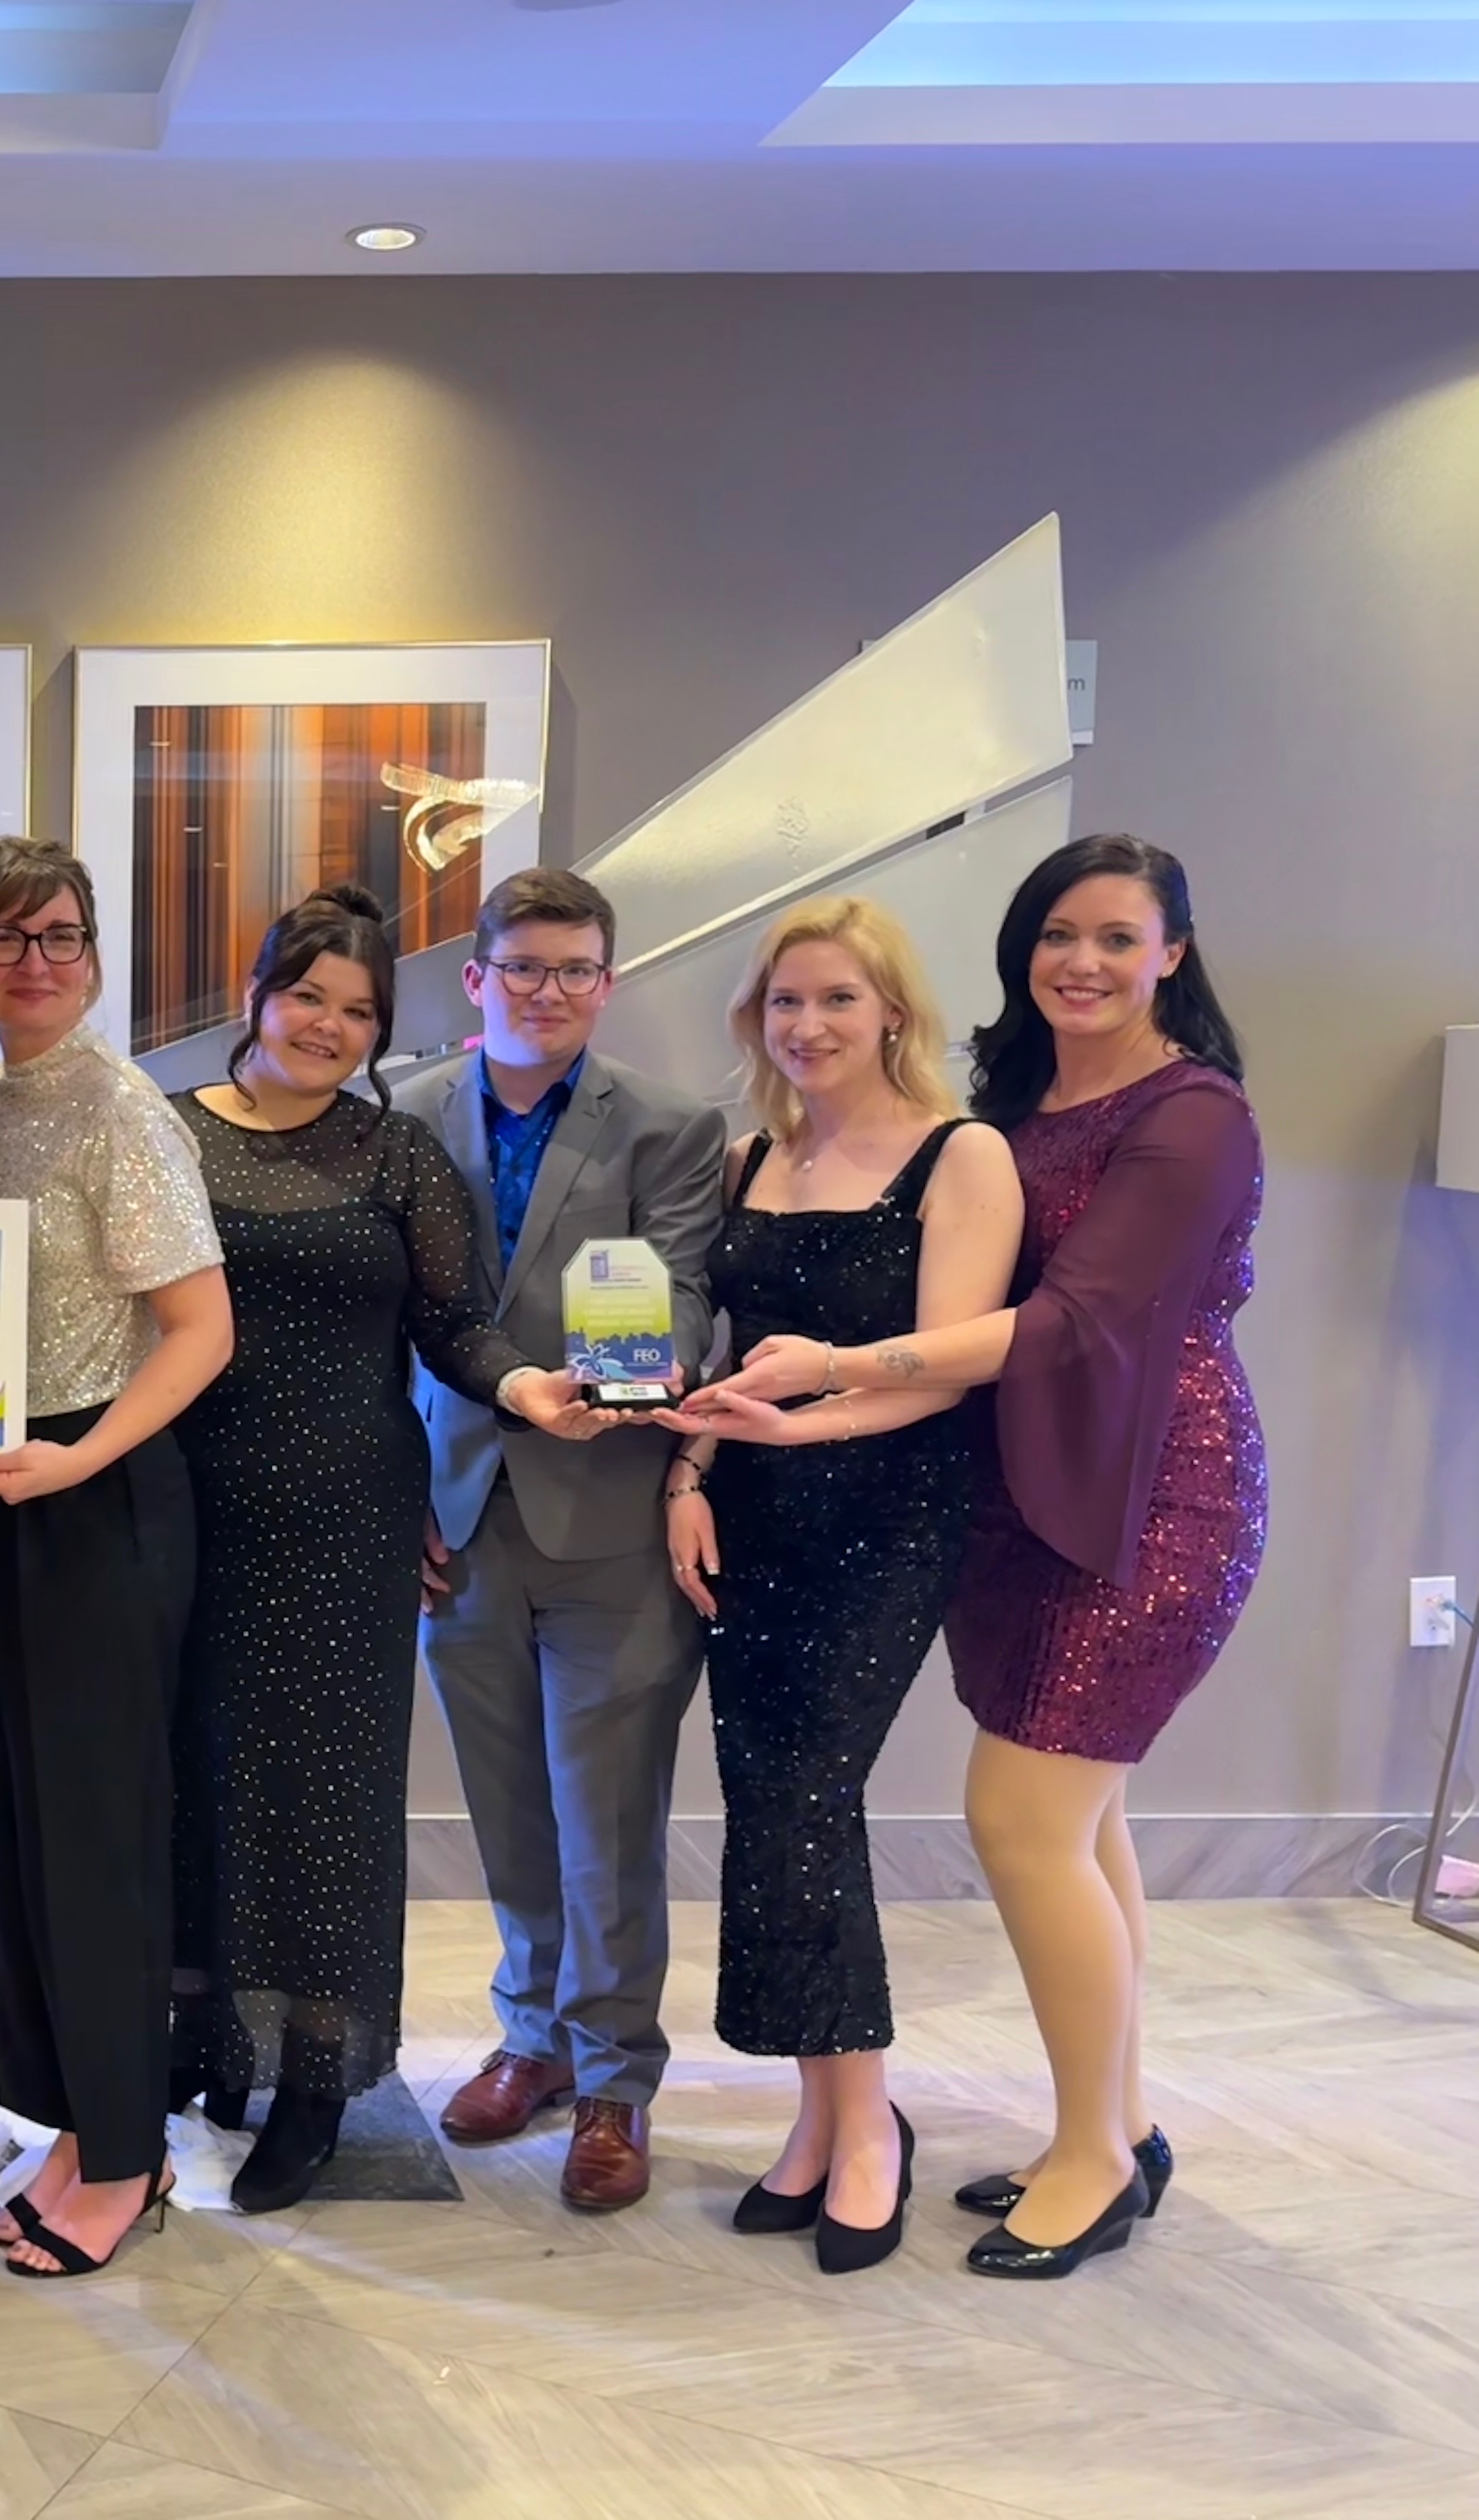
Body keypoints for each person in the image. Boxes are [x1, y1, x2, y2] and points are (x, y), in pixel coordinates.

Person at [689, 835, 1262, 2279]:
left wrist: (833, 1371)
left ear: (1172, 956)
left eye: (1118, 940)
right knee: (1088, 1823)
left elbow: (1075, 1325)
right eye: (1056, 934)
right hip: (1018, 1496)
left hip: (1146, 1497)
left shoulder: (1193, 1116)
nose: (1082, 962)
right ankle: (1117, 2124)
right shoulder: (1019, 1102)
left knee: (1021, 1820)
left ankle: (1091, 2162)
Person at [166, 883, 590, 2214]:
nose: (331, 1029)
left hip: (350, 1519)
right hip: (188, 1513)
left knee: (330, 1806)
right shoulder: (166, 1141)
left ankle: (311, 2081)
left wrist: (523, 1389)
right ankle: (208, 2040)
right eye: (308, 998)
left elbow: (455, 1328)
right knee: (201, 1779)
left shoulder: (397, 1156)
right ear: (256, 996)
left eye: (358, 1012)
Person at [0, 833, 230, 2281]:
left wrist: (81, 1459)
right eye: (7, 940)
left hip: (99, 1494)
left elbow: (203, 1330)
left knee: (101, 1841)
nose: (35, 964)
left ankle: (127, 2159)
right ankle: (81, 2120)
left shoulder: (123, 1115)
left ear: (96, 958)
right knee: (24, 1831)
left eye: (62, 939)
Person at [649, 898, 1020, 2274]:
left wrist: (808, 1415)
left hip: (889, 1509)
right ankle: (818, 2120)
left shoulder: (958, 1156)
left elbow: (956, 1360)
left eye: (837, 1003)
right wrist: (689, 1477)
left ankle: (869, 2123)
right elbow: (731, 1350)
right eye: (785, 1004)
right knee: (768, 1804)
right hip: (746, 1505)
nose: (808, 1027)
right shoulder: (752, 1153)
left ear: (893, 1016)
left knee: (807, 1797)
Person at [392, 865, 724, 2212]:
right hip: (456, 1515)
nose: (548, 991)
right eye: (521, 968)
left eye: (575, 969)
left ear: (609, 980)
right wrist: (396, 1488)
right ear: (475, 980)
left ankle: (614, 2082)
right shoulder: (404, 1116)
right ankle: (529, 2038)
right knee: (510, 1811)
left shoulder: (669, 1125)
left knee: (607, 1821)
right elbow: (384, 1325)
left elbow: (686, 1296)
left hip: (610, 1514)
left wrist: (632, 1390)